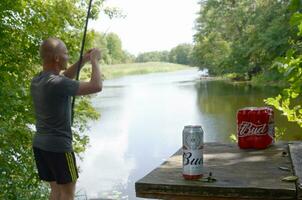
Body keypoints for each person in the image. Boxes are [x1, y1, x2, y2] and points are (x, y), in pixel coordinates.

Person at [30, 37, 102, 200]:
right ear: (57, 58)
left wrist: (84, 59)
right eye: (66, 53)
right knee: (68, 193)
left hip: (41, 146)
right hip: (59, 148)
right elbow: (96, 86)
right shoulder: (58, 83)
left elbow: (65, 77)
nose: (68, 57)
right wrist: (95, 61)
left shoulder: (38, 80)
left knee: (55, 190)